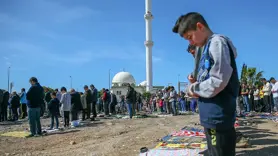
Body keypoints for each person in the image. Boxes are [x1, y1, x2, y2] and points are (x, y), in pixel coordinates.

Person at [173, 12, 239, 156]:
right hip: (210, 115)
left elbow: (218, 80)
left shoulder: (217, 42)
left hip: (218, 114)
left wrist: (193, 88)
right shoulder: (206, 47)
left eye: (190, 37)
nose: (191, 43)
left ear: (200, 26)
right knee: (213, 149)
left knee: (219, 151)